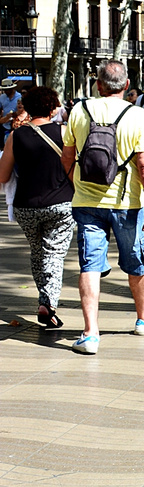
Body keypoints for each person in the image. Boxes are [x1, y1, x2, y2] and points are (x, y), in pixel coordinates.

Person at [60, 58, 144, 354]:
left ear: (97, 84)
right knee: (136, 260)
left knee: (89, 265)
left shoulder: (78, 111)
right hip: (126, 203)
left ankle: (90, 334)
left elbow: (67, 156)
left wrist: (76, 185)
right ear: (128, 86)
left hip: (86, 202)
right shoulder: (137, 115)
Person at [0, 84, 75, 328]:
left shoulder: (16, 136)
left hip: (26, 205)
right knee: (54, 254)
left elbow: (3, 176)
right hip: (60, 203)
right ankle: (48, 302)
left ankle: (44, 298)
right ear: (53, 108)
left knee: (38, 250)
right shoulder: (64, 132)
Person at [0, 78, 23, 146]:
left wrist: (13, 115)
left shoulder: (19, 96)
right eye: (4, 90)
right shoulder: (2, 97)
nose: (6, 91)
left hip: (16, 124)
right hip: (5, 125)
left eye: (7, 90)